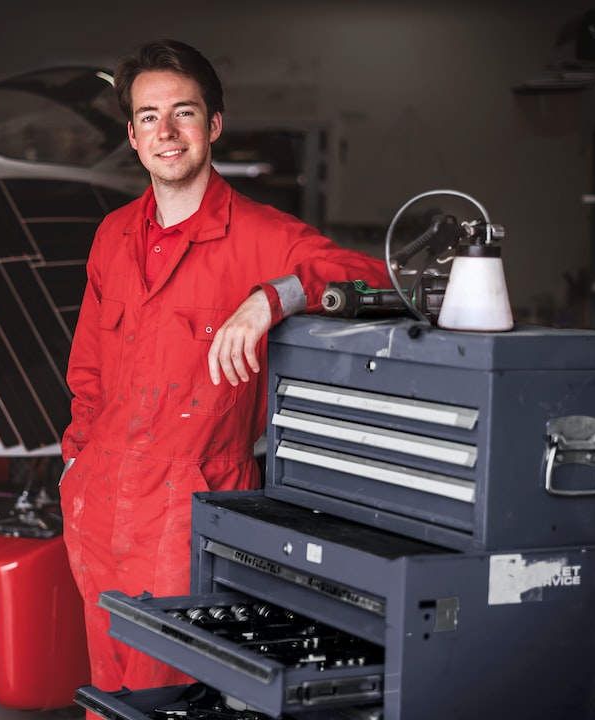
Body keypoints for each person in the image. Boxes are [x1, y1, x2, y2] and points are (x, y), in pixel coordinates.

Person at [59, 39, 391, 694]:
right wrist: (75, 466)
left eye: (184, 113)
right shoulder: (112, 236)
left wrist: (274, 297)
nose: (167, 131)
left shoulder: (264, 237)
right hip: (98, 505)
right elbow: (88, 372)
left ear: (213, 125)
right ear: (131, 135)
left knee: (175, 697)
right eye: (150, 116)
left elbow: (377, 278)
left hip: (194, 510)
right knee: (108, 694)